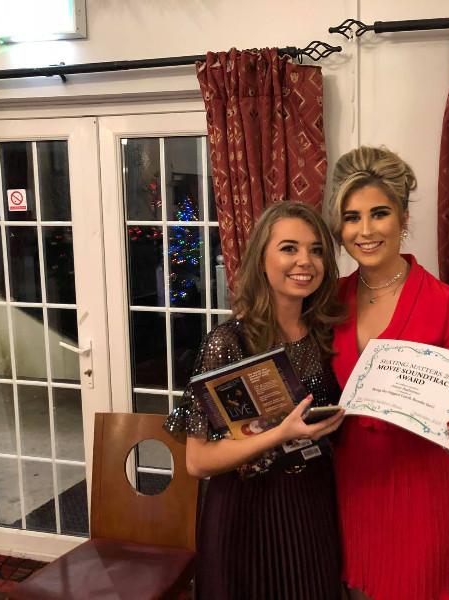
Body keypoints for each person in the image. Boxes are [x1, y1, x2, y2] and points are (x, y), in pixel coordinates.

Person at [328, 146, 449, 600]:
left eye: (379, 213)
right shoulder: (328, 302)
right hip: (347, 483)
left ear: (403, 218)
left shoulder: (447, 305)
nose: (365, 231)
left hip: (420, 487)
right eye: (351, 218)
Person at [164, 201, 347, 600]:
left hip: (311, 503)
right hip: (245, 511)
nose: (305, 260)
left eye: (316, 250)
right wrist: (280, 433)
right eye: (289, 248)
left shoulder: (329, 338)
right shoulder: (227, 343)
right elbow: (197, 461)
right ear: (261, 259)